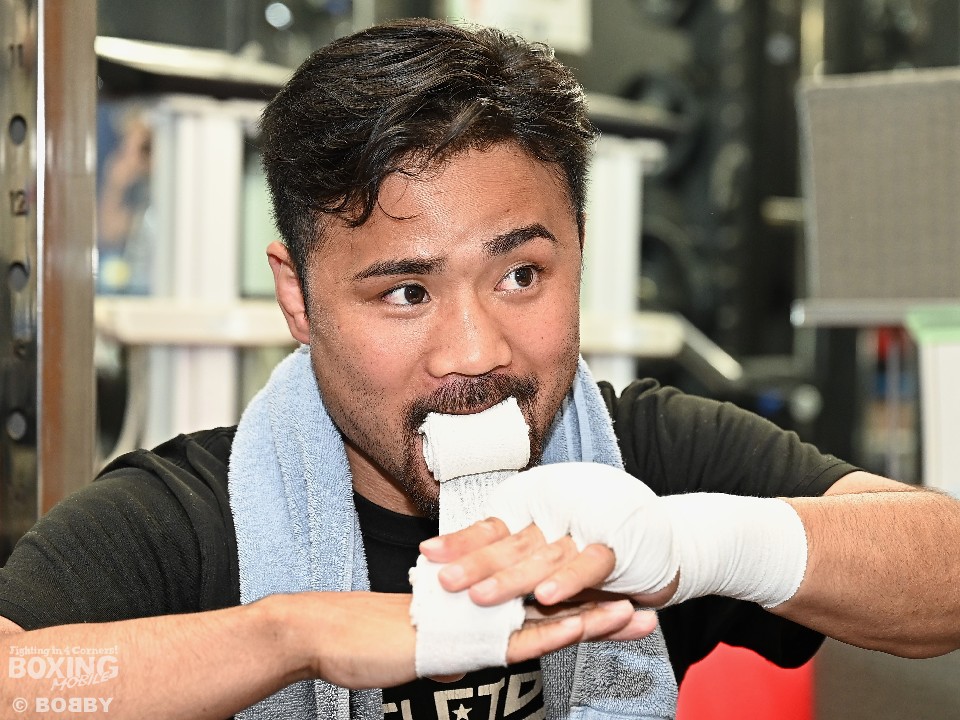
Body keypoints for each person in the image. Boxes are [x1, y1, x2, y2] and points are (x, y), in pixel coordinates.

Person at [2, 16, 960, 720]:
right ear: (298, 299)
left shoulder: (641, 461)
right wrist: (292, 636)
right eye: (405, 292)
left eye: (521, 276)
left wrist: (692, 543)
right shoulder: (196, 517)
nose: (476, 352)